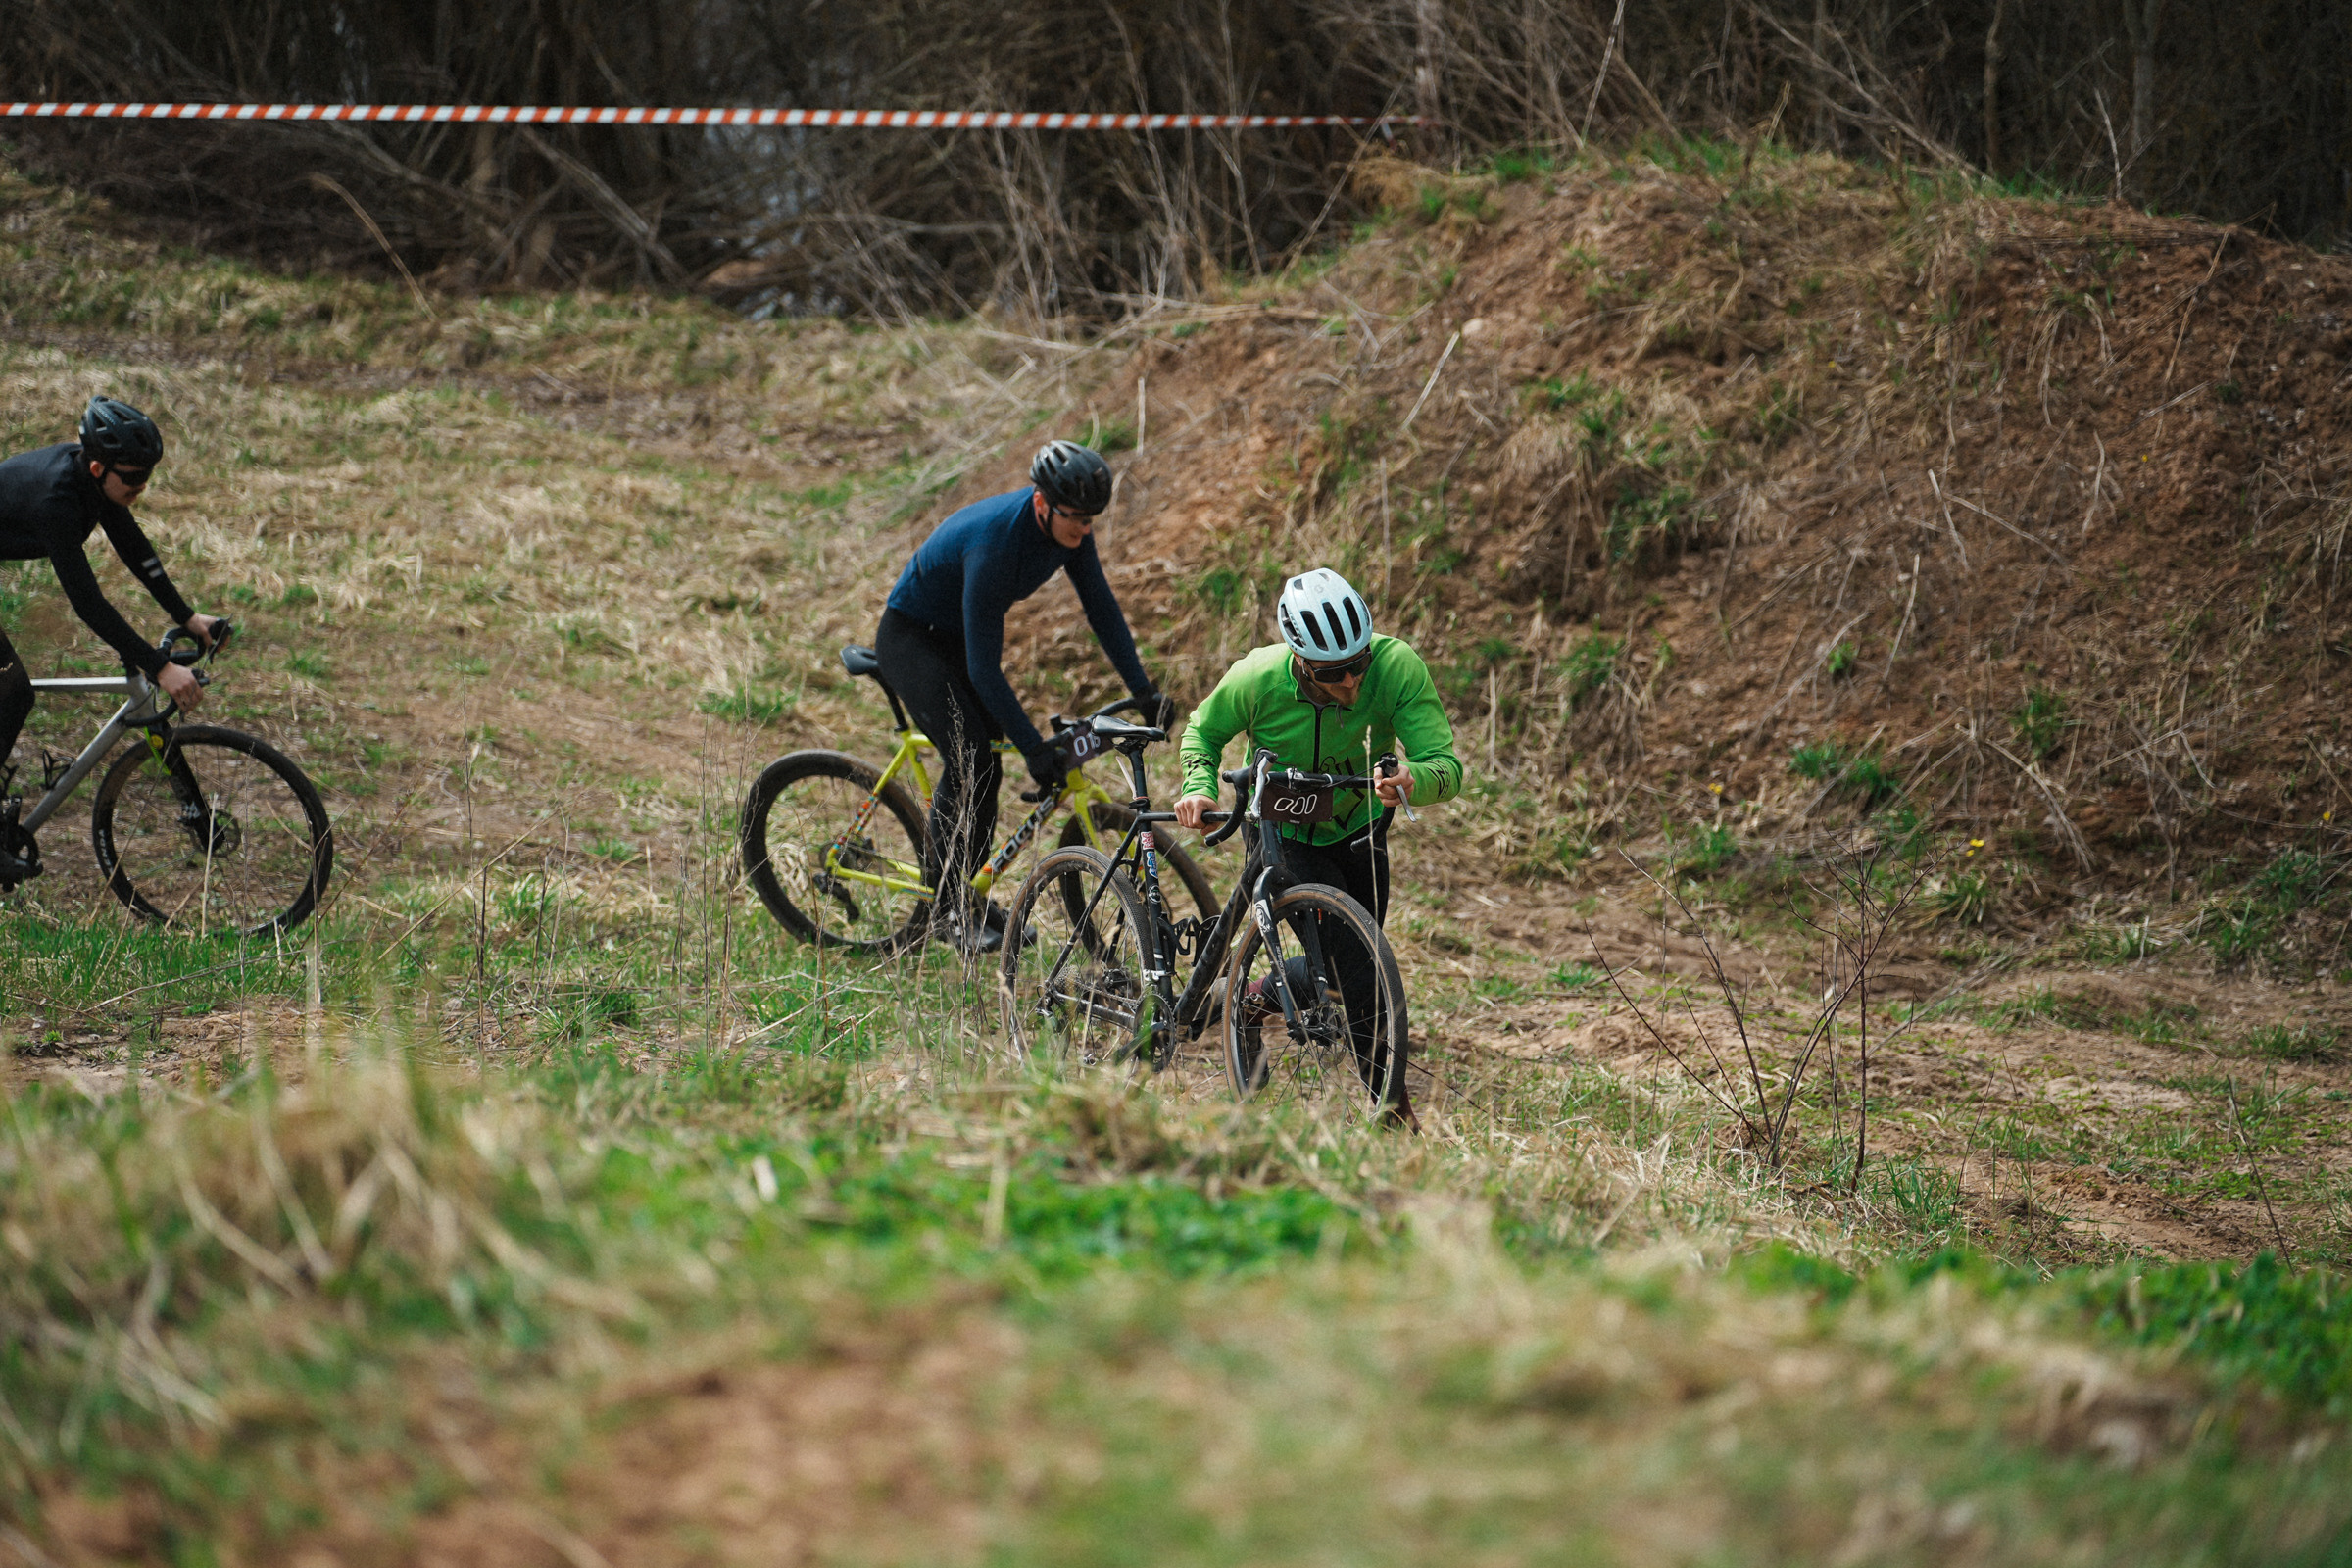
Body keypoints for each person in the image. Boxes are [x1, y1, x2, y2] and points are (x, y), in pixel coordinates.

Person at [1173, 567, 1461, 1126]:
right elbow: (1201, 732)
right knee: (1357, 970)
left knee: (1350, 965)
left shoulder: (1396, 666)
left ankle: (1251, 998)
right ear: (1301, 660)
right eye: (1333, 673)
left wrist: (1414, 780)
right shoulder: (1257, 677)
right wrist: (1198, 786)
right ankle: (1393, 1114)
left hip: (1360, 829)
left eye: (1358, 663)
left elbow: (1445, 764)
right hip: (1282, 831)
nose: (1351, 683)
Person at [876, 439, 1177, 953]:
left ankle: (967, 893)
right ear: (1042, 503)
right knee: (972, 759)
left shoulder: (1071, 531)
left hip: (951, 637)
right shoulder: (995, 545)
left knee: (988, 760)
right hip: (910, 637)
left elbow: (1101, 609)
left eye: (1090, 520)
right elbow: (983, 669)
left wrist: (1143, 691)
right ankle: (946, 906)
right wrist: (1035, 749)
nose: (1083, 530)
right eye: (1074, 518)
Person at [0, 397, 225, 887]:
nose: (142, 487)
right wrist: (159, 667)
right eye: (134, 478)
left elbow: (134, 548)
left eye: (149, 476)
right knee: (12, 691)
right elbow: (89, 604)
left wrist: (188, 617)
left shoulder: (96, 482)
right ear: (99, 467)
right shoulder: (57, 501)